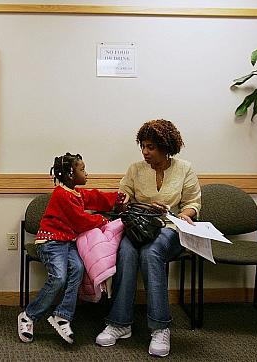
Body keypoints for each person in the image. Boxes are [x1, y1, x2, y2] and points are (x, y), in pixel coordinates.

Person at [95, 119, 201, 357]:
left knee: (151, 252)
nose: (145, 152)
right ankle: (120, 323)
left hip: (170, 229)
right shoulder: (135, 169)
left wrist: (185, 214)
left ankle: (160, 327)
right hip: (139, 226)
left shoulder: (184, 168)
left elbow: (193, 202)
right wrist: (125, 201)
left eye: (151, 147)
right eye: (143, 146)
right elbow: (124, 198)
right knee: (127, 250)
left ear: (166, 147)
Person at [18, 152, 123, 344]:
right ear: (70, 174)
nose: (86, 173)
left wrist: (118, 199)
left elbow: (94, 197)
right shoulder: (61, 194)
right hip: (50, 243)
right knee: (58, 277)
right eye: (82, 170)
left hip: (67, 242)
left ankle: (63, 315)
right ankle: (28, 316)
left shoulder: (75, 193)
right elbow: (80, 220)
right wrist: (103, 219)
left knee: (79, 268)